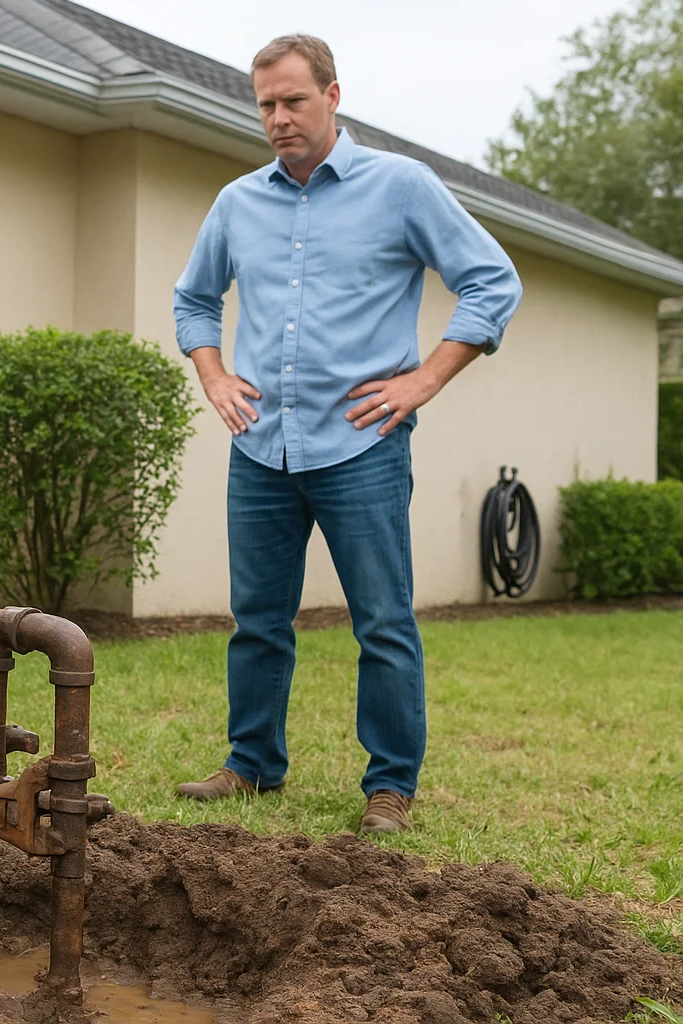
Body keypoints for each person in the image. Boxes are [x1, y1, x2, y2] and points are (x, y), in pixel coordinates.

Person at [170, 36, 521, 832]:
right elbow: (194, 299)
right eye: (265, 104)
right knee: (258, 619)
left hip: (363, 445)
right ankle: (252, 764)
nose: (278, 118)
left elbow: (491, 281)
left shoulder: (402, 186)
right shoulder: (237, 203)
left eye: (294, 101)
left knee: (382, 621)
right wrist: (215, 376)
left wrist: (424, 379)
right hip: (261, 445)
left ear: (333, 96)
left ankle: (390, 786)